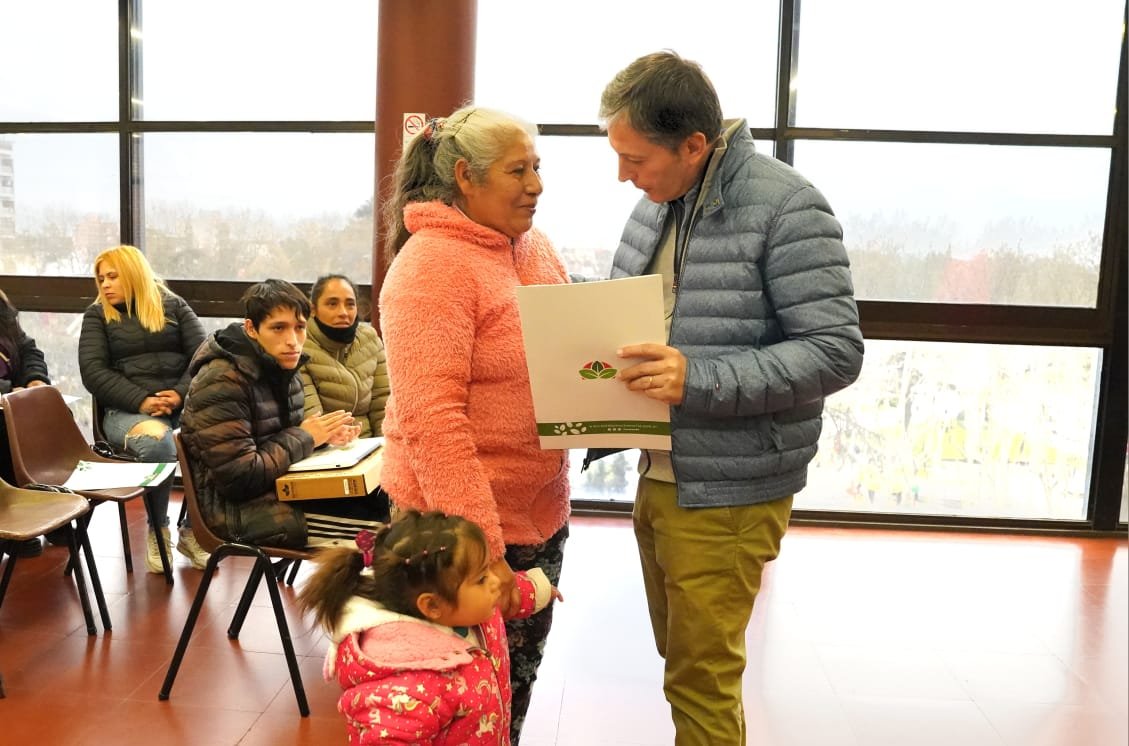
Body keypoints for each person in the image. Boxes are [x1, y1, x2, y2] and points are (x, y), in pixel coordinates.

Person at [597, 51, 865, 745]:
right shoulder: (655, 206)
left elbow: (835, 350)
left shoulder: (786, 206)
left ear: (692, 145)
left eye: (635, 159)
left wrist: (698, 379)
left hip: (732, 484)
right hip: (660, 469)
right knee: (685, 663)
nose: (623, 175)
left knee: (700, 677)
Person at [379, 105, 571, 742]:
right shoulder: (430, 266)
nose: (536, 185)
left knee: (510, 692)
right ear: (465, 176)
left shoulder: (535, 247)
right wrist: (485, 553)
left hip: (538, 515)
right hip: (457, 536)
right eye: (518, 171)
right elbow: (431, 421)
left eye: (537, 167)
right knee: (453, 708)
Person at [298, 509, 561, 745]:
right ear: (432, 605)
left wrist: (538, 589)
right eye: (482, 578)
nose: (496, 582)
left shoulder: (469, 611)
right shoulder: (406, 690)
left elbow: (506, 600)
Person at [179, 279, 384, 549]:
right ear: (251, 328)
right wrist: (306, 436)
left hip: (282, 492)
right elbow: (239, 479)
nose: (292, 341)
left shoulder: (283, 368)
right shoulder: (221, 380)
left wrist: (323, 439)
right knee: (391, 534)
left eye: (299, 328)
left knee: (390, 500)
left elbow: (280, 443)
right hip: (238, 513)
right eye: (278, 328)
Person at [78, 245, 210, 572]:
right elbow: (93, 372)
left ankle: (194, 531)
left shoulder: (175, 306)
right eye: (101, 278)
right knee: (158, 443)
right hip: (125, 412)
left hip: (180, 405)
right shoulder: (97, 316)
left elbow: (203, 358)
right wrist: (142, 400)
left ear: (134, 274)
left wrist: (179, 394)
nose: (105, 284)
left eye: (113, 276)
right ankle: (158, 530)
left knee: (218, 437)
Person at [299, 273, 390, 520]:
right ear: (313, 309)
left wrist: (388, 455)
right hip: (327, 458)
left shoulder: (369, 338)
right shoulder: (300, 345)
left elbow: (383, 402)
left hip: (372, 453)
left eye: (350, 304)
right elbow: (315, 419)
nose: (343, 312)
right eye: (332, 303)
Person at [0, 288, 52, 557]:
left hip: (13, 398)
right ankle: (14, 519)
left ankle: (51, 505)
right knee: (5, 428)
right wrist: (9, 390)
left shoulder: (2, 310)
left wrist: (35, 380)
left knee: (54, 415)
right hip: (5, 402)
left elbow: (29, 350)